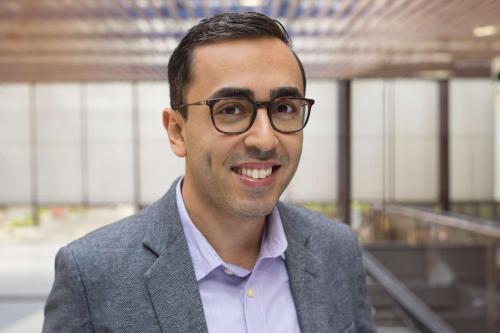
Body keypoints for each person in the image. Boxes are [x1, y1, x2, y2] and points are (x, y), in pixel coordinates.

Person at [43, 12, 375, 333]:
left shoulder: (336, 250)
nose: (264, 138)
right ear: (176, 130)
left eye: (284, 108)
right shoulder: (92, 275)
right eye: (231, 110)